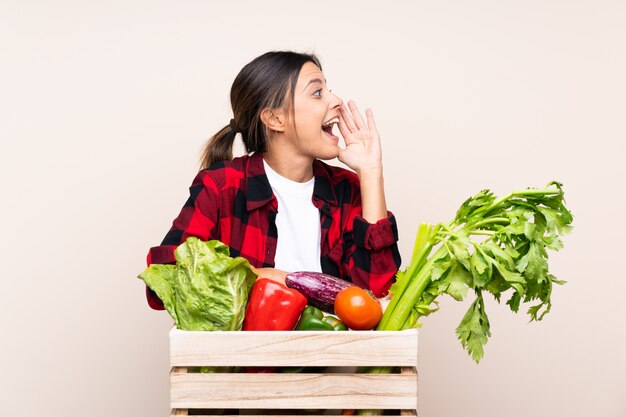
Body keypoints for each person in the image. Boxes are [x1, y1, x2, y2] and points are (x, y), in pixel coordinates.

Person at [145, 51, 401, 310]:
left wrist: (370, 172)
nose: (336, 101)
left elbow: (377, 294)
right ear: (275, 119)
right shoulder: (221, 187)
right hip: (246, 351)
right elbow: (164, 282)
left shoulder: (346, 189)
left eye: (329, 90)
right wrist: (264, 277)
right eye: (317, 92)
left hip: (333, 350)